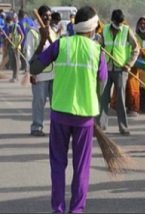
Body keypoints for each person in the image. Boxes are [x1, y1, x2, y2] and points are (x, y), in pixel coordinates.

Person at [29, 6, 107, 213]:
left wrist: (41, 41)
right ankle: (77, 210)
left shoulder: (60, 45)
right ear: (92, 28)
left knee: (57, 165)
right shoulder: (97, 51)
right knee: (81, 167)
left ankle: (58, 209)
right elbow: (102, 83)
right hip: (85, 118)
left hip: (60, 114)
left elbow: (34, 68)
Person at [98, 9, 139, 135]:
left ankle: (123, 127)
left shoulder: (127, 31)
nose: (119, 25)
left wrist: (129, 64)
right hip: (106, 68)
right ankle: (101, 127)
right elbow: (99, 47)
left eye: (121, 22)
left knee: (121, 99)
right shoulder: (104, 30)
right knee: (103, 98)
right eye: (117, 22)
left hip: (121, 69)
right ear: (112, 20)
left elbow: (136, 49)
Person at [25, 5, 58, 137]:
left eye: (50, 16)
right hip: (39, 74)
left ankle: (56, 128)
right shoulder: (32, 33)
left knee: (56, 103)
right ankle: (36, 127)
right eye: (45, 15)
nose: (48, 18)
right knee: (39, 101)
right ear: (39, 16)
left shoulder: (53, 32)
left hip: (54, 73)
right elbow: (29, 55)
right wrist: (31, 73)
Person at [111, 16, 145, 116]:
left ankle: (136, 107)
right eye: (140, 23)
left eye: (144, 23)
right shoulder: (134, 35)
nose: (142, 25)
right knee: (125, 85)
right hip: (131, 64)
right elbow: (132, 51)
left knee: (140, 86)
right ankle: (122, 106)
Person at [5, 15, 24, 82]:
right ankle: (15, 77)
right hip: (17, 47)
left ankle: (15, 77)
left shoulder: (11, 26)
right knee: (16, 62)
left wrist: (6, 42)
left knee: (14, 62)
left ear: (7, 21)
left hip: (14, 47)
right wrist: (19, 44)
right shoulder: (17, 25)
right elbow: (22, 36)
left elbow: (9, 37)